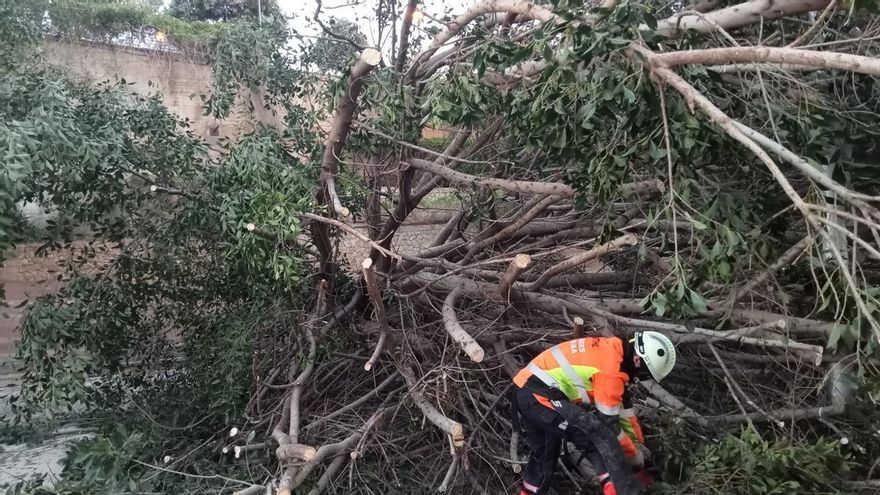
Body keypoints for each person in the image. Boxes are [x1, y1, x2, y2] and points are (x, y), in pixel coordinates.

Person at [511, 331, 677, 495]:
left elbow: (625, 413)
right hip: (538, 395)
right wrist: (633, 455)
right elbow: (609, 423)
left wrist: (637, 444)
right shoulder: (611, 370)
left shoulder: (613, 352)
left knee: (545, 455)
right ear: (638, 360)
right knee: (594, 436)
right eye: (645, 374)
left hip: (527, 390)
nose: (640, 378)